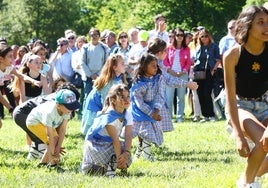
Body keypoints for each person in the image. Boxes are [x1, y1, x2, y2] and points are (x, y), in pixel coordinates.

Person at [223, 5, 268, 188]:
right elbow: (231, 99)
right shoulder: (232, 55)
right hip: (240, 107)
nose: (267, 27)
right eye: (261, 23)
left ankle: (246, 179)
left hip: (265, 104)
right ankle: (249, 184)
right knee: (263, 140)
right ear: (247, 25)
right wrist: (239, 137)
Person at [13, 82, 79, 160]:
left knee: (49, 139)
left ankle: (36, 153)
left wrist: (57, 146)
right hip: (24, 114)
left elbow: (60, 128)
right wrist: (54, 147)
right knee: (48, 139)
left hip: (23, 113)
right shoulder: (55, 104)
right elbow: (51, 131)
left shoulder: (62, 103)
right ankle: (42, 154)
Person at [80, 84, 132, 177]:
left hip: (111, 144)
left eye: (128, 96)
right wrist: (119, 160)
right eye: (122, 97)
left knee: (127, 152)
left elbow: (128, 135)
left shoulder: (126, 113)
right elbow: (115, 140)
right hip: (97, 145)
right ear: (113, 100)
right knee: (115, 150)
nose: (126, 100)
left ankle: (108, 167)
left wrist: (126, 154)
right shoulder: (109, 117)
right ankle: (109, 168)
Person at [26, 88, 80, 170]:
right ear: (58, 105)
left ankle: (42, 164)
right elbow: (49, 136)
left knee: (55, 141)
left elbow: (62, 129)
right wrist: (54, 153)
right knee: (53, 139)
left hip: (44, 122)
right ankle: (53, 164)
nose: (71, 109)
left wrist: (58, 148)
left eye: (73, 106)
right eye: (69, 107)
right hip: (33, 122)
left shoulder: (66, 110)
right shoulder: (49, 113)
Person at [81, 54, 127, 135]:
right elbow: (105, 102)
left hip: (107, 106)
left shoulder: (119, 79)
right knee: (97, 131)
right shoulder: (108, 83)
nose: (125, 65)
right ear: (114, 67)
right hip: (98, 106)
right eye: (122, 63)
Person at [131, 53, 164, 162]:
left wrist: (156, 110)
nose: (156, 68)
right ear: (145, 67)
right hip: (140, 111)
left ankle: (141, 151)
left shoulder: (157, 79)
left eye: (156, 65)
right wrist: (152, 113)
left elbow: (160, 95)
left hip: (151, 109)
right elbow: (139, 103)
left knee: (147, 131)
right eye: (153, 66)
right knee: (144, 131)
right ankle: (145, 153)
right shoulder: (138, 83)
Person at [193, 29, 221, 122]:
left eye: (206, 36)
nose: (204, 38)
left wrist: (214, 70)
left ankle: (211, 115)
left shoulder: (214, 46)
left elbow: (218, 60)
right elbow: (195, 60)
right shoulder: (198, 47)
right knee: (200, 94)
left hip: (210, 71)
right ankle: (205, 115)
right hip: (199, 72)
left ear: (209, 36)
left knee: (207, 93)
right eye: (202, 36)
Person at [164, 28, 191, 122]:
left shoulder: (187, 48)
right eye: (178, 35)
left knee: (181, 97)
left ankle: (180, 117)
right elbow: (165, 60)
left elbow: (188, 63)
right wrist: (170, 71)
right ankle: (169, 117)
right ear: (174, 36)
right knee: (169, 97)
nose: (180, 37)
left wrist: (183, 71)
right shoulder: (169, 48)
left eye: (182, 35)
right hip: (170, 74)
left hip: (182, 75)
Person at [80, 28, 110, 99]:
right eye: (92, 35)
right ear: (89, 36)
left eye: (96, 35)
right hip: (88, 78)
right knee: (87, 97)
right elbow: (82, 62)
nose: (94, 36)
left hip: (101, 77)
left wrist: (98, 74)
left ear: (99, 36)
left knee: (101, 97)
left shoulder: (104, 47)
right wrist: (90, 75)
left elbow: (106, 63)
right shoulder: (85, 47)